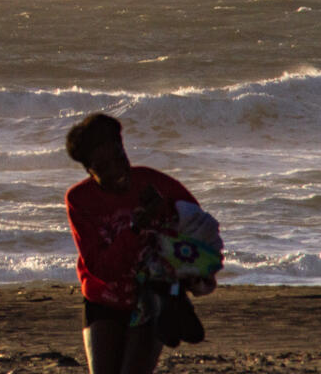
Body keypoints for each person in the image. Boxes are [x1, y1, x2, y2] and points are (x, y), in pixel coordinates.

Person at [64, 113, 218, 374]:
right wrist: (137, 228)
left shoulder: (157, 184)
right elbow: (101, 267)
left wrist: (199, 273)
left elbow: (200, 231)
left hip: (152, 297)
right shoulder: (80, 199)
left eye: (120, 158)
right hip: (103, 298)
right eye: (103, 167)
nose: (116, 171)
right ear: (89, 170)